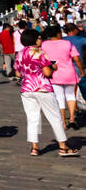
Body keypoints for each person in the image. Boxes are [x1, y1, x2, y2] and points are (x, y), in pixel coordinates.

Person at [15, 28, 78, 156]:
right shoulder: (39, 53)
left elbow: (17, 72)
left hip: (27, 89)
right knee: (55, 117)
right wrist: (53, 67)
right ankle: (63, 146)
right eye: (39, 38)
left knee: (32, 118)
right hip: (42, 87)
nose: (41, 40)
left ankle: (34, 147)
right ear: (33, 39)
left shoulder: (20, 53)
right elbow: (47, 72)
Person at [38, 23, 81, 134]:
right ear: (58, 33)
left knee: (59, 97)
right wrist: (81, 71)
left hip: (55, 74)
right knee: (71, 95)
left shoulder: (44, 44)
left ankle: (62, 121)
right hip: (69, 73)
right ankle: (72, 117)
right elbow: (76, 58)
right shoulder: (67, 43)